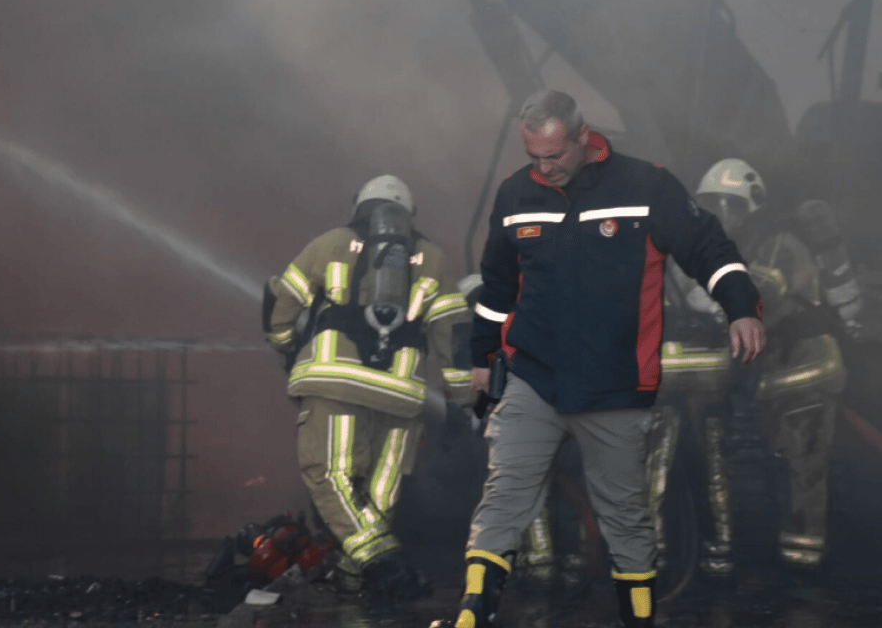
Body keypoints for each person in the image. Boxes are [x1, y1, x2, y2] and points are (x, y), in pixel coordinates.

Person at [441, 90, 766, 628]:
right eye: (534, 158)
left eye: (555, 156)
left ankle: (637, 620)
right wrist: (483, 358)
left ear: (583, 136)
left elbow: (708, 247)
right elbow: (497, 290)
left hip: (615, 385)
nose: (546, 168)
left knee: (626, 517)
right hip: (532, 378)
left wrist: (741, 308)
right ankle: (472, 617)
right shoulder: (515, 194)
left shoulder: (646, 186)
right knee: (503, 497)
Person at [263, 175, 475, 599]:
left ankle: (384, 561)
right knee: (380, 492)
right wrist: (461, 401)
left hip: (337, 386)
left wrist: (286, 348)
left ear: (358, 205)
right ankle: (354, 582)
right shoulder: (432, 258)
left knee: (331, 475)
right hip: (402, 396)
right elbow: (454, 336)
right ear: (409, 215)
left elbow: (280, 302)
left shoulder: (331, 243)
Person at [689, 158, 847, 575]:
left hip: (806, 375)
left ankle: (804, 574)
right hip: (778, 379)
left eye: (731, 206)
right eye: (713, 206)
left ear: (752, 207)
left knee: (804, 473)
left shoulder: (778, 244)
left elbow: (762, 294)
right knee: (784, 470)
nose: (722, 216)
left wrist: (706, 298)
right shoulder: (746, 247)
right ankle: (791, 564)